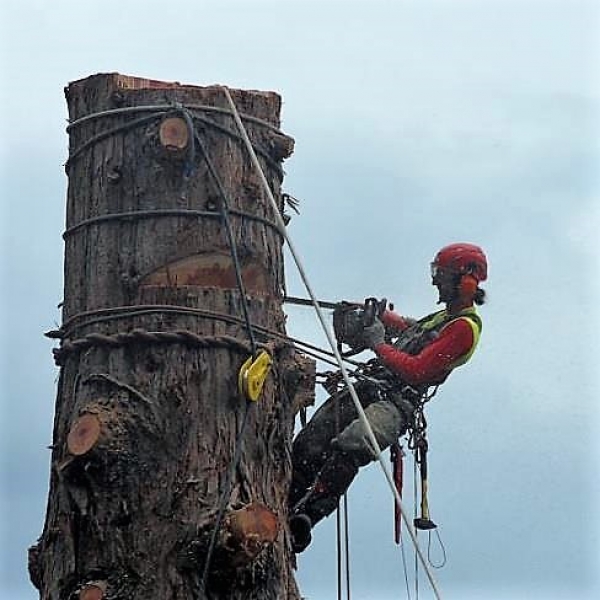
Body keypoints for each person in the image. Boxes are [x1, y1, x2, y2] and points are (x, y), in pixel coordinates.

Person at [288, 242, 488, 552]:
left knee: (354, 443)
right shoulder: (442, 318)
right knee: (311, 440)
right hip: (373, 385)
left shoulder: (464, 329)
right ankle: (285, 496)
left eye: (442, 274)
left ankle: (308, 516)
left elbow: (417, 371)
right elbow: (411, 328)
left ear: (466, 281)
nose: (435, 280)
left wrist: (378, 344)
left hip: (396, 403)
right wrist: (376, 315)